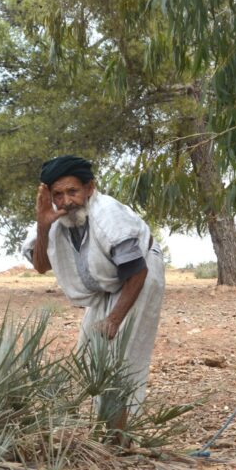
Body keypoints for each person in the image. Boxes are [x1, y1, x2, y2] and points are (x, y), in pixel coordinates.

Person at [25, 155, 165, 428]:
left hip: (141, 273)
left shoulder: (108, 216)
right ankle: (103, 426)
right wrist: (43, 226)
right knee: (88, 350)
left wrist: (114, 319)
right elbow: (41, 266)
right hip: (106, 282)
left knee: (122, 351)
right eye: (58, 194)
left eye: (73, 191)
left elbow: (137, 271)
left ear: (90, 188)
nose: (67, 201)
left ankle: (120, 434)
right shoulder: (56, 220)